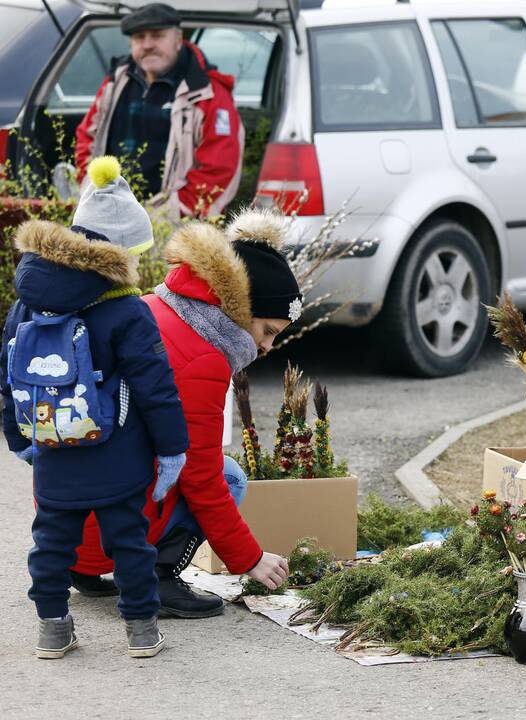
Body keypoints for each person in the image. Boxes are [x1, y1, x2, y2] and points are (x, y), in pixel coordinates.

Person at [70, 208, 301, 617]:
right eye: (268, 332)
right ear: (242, 308)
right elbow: (202, 476)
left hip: (68, 524)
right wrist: (248, 559)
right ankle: (154, 579)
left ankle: (83, 570)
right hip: (110, 528)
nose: (266, 348)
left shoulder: (152, 307)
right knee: (229, 477)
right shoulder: (203, 356)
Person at [1, 157, 189, 659]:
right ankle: (142, 632)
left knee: (51, 543)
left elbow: (7, 370)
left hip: (51, 445)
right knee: (129, 542)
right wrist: (173, 450)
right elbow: (157, 388)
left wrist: (20, 438)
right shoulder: (127, 308)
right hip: (118, 452)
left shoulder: (26, 301)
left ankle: (53, 630)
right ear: (122, 249)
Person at [75, 3, 244, 218]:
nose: (147, 45)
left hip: (172, 225)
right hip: (109, 212)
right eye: (139, 37)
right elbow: (86, 136)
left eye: (157, 36)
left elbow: (220, 170)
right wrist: (92, 189)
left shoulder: (207, 92)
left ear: (178, 40)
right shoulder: (115, 83)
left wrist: (168, 215)